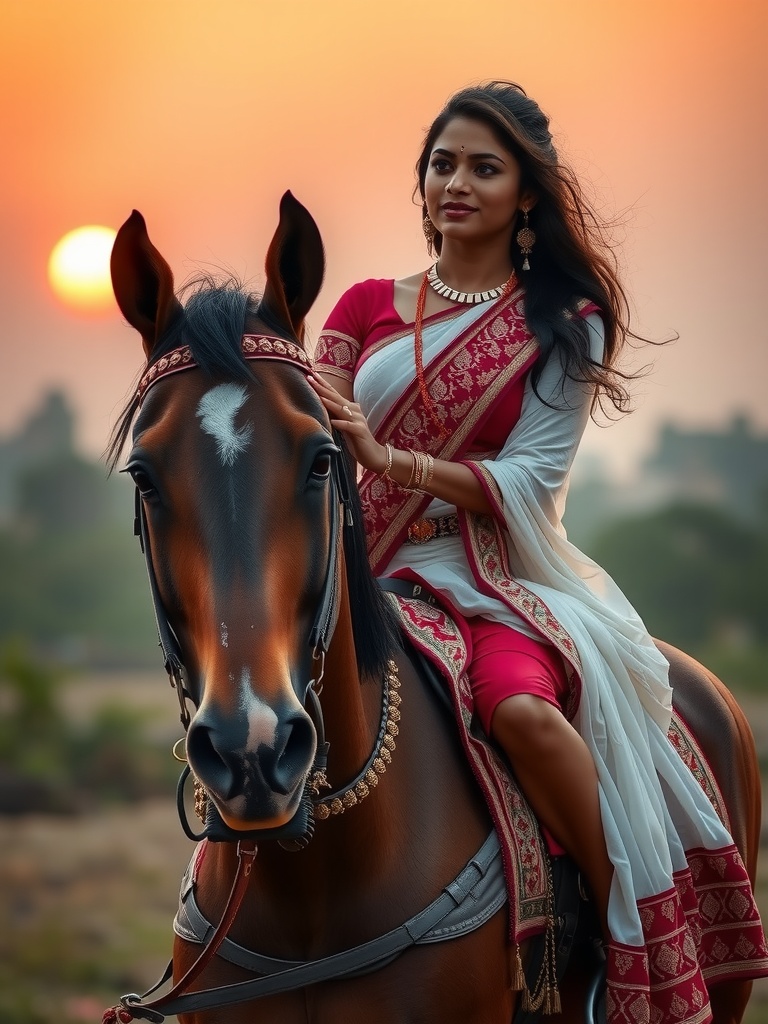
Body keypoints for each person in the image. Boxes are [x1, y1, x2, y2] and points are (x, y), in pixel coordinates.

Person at [309, 81, 768, 1019]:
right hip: (367, 569)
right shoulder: (362, 306)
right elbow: (313, 428)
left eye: (486, 166)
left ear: (527, 193)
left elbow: (531, 478)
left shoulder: (562, 321)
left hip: (490, 576)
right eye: (443, 164)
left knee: (517, 711)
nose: (457, 183)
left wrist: (389, 456)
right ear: (422, 180)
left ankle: (616, 922)